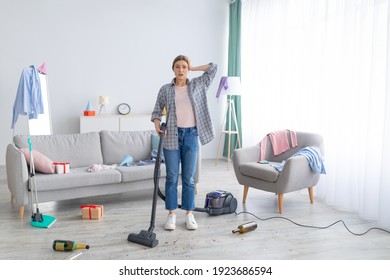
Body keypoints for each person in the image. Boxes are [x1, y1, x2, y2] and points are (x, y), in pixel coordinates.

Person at [151, 55, 218, 230]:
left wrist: (193, 66)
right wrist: (157, 124)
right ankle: (171, 215)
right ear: (173, 69)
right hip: (171, 135)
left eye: (184, 67)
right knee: (172, 177)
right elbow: (157, 110)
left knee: (188, 178)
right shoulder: (165, 89)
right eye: (178, 67)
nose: (181, 70)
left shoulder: (197, 84)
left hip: (191, 135)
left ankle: (189, 213)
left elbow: (213, 67)